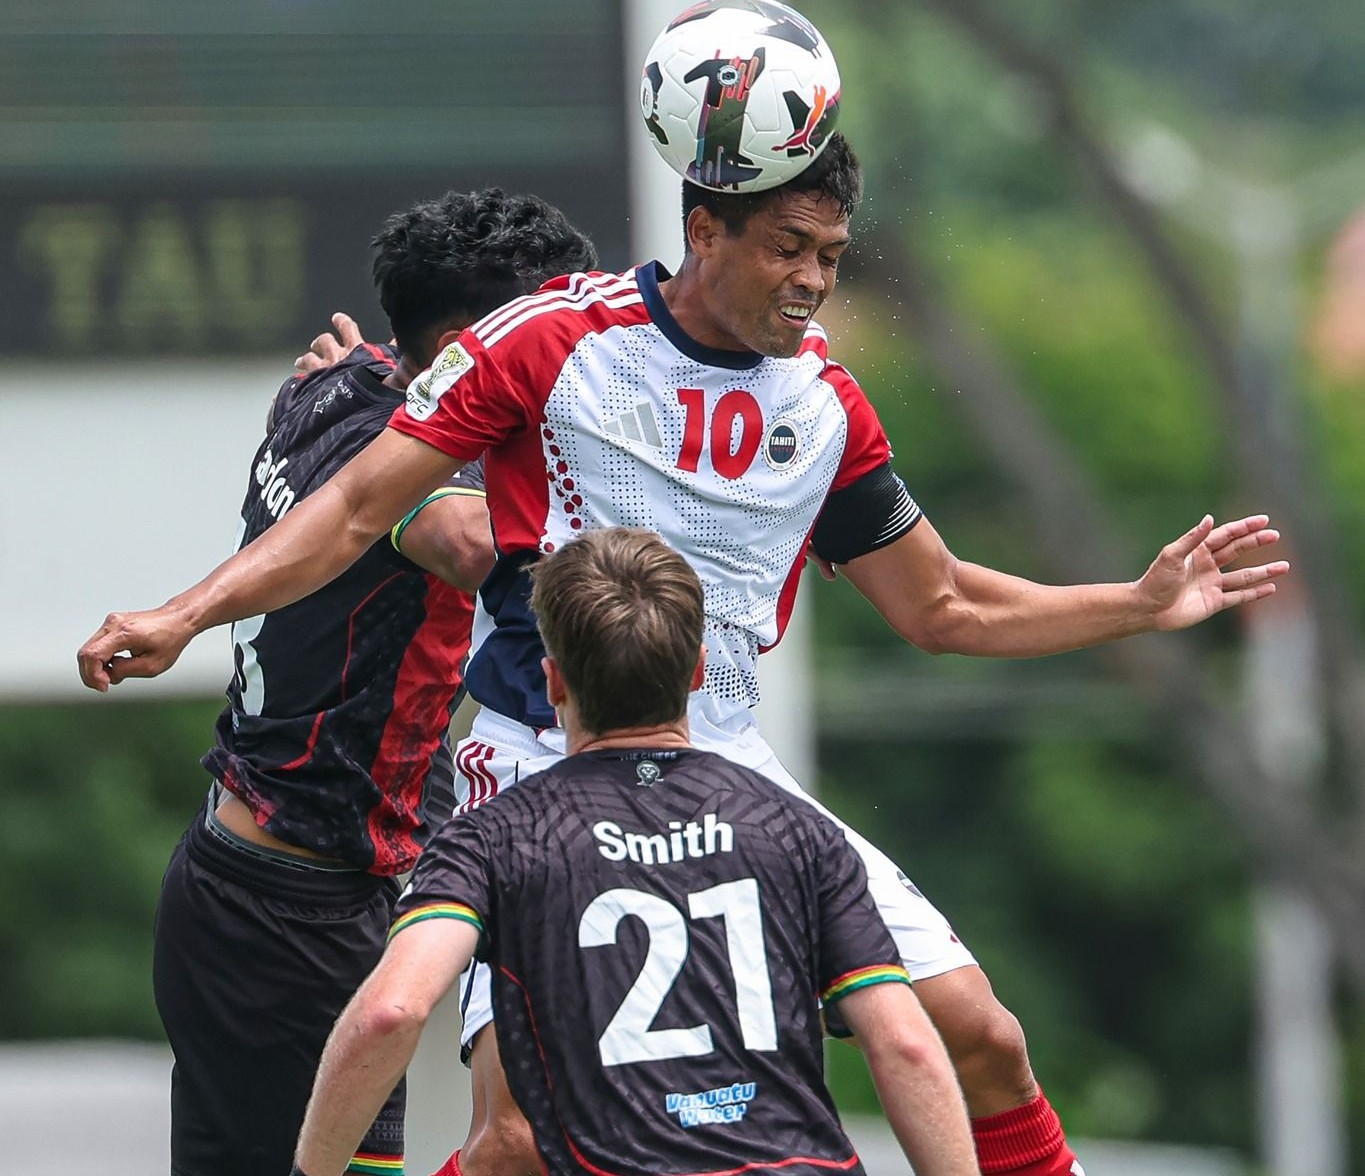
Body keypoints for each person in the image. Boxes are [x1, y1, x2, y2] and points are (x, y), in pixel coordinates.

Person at [77, 134, 1288, 1176]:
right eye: (789, 247)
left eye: (832, 253)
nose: (815, 278)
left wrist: (1135, 603)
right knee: (509, 1140)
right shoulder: (549, 341)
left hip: (728, 767)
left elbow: (947, 607)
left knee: (983, 1036)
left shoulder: (826, 410)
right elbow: (355, 511)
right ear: (705, 228)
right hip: (540, 760)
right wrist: (180, 616)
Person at [145, 188, 597, 1176]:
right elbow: (472, 540)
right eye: (556, 333)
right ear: (461, 347)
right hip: (289, 921)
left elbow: (378, 400)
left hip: (277, 889)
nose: (581, 358)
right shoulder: (422, 484)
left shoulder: (335, 381)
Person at [292, 527, 979, 1176]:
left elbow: (391, 1013)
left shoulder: (495, 836)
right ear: (697, 672)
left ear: (554, 680)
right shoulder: (796, 829)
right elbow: (908, 1046)